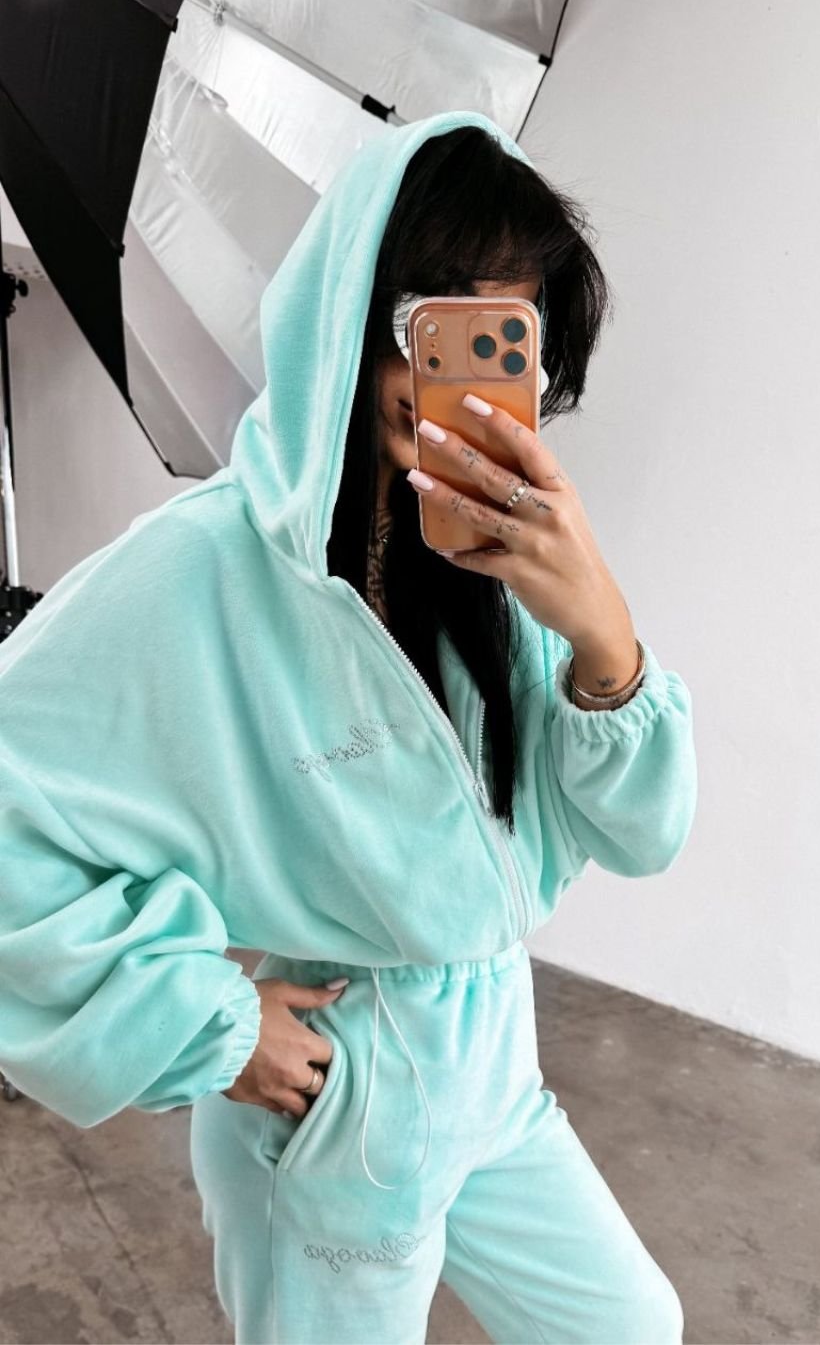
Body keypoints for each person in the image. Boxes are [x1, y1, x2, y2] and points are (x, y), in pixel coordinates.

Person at [0, 109, 698, 1343]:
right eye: (435, 327)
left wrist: (602, 634)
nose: (461, 387)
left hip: (492, 1062)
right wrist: (214, 1027)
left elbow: (640, 835)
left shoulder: (504, 564)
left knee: (627, 1325)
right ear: (353, 315)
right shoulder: (206, 568)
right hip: (344, 1094)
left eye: (505, 340)